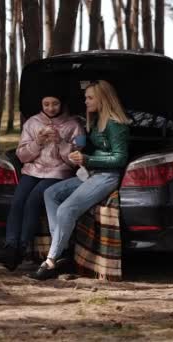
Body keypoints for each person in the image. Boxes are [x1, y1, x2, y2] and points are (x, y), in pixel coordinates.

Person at [28, 80, 131, 280]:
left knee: (66, 209)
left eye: (90, 97)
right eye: (86, 97)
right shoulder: (95, 119)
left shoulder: (116, 124)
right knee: (50, 193)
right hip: (90, 173)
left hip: (107, 176)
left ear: (103, 99)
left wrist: (88, 159)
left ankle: (51, 260)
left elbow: (120, 158)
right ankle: (63, 250)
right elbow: (94, 150)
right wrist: (77, 151)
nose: (85, 101)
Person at [0, 87, 85, 271]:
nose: (51, 108)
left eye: (55, 104)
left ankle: (22, 248)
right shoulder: (32, 123)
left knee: (33, 201)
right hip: (32, 171)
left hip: (58, 173)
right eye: (46, 104)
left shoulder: (74, 125)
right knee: (18, 201)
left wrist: (61, 142)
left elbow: (74, 162)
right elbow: (22, 156)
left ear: (62, 104)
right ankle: (10, 247)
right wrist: (37, 142)